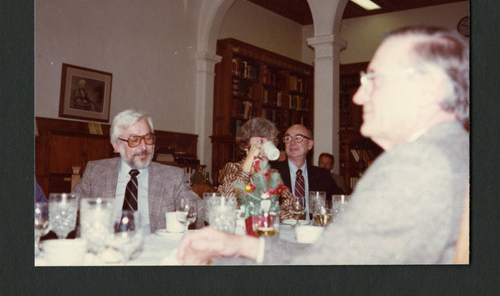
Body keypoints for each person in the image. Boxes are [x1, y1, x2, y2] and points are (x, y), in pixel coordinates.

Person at [177, 26, 469, 265]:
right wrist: (242, 245)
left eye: (374, 79)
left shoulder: (418, 163)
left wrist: (241, 248)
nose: (357, 97)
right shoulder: (447, 152)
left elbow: (331, 265)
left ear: (428, 87)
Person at [73, 109, 204, 233]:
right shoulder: (96, 172)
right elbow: (70, 208)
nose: (144, 147)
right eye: (134, 140)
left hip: (154, 253)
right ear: (116, 145)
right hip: (105, 250)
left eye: (148, 138)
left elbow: (196, 210)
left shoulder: (172, 177)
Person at [218, 117, 294, 219]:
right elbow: (230, 204)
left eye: (270, 142)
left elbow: (293, 205)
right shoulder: (232, 168)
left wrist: (274, 214)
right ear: (245, 145)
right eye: (261, 141)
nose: (265, 147)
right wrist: (249, 159)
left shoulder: (272, 174)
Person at [271, 124, 344, 217]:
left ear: (310, 144)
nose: (292, 143)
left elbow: (340, 201)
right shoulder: (272, 172)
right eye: (288, 138)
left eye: (298, 138)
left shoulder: (322, 175)